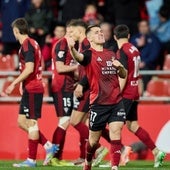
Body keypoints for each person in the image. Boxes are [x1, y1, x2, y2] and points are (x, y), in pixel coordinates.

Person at [67, 24, 127, 170]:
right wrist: (72, 48)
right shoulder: (88, 54)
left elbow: (123, 75)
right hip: (99, 104)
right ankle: (88, 162)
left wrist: (120, 68)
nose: (101, 33)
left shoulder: (111, 53)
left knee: (116, 131)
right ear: (89, 38)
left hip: (116, 101)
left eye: (101, 31)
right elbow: (79, 58)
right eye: (96, 32)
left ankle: (114, 167)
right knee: (93, 141)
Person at [5, 18, 58, 167]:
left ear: (16, 31)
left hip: (34, 88)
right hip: (30, 87)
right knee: (22, 122)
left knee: (32, 123)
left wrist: (13, 84)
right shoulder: (32, 43)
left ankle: (31, 160)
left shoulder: (27, 45)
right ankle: (48, 146)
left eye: (13, 31)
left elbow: (29, 68)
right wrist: (22, 83)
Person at [113, 24, 166, 168]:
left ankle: (117, 160)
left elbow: (123, 75)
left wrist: (116, 93)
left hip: (125, 93)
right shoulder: (134, 49)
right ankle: (156, 151)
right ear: (129, 36)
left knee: (115, 127)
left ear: (114, 37)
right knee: (132, 125)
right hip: (134, 91)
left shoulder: (122, 51)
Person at [68, 19, 108, 166]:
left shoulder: (86, 43)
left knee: (76, 121)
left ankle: (98, 148)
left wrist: (81, 84)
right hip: (88, 88)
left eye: (71, 31)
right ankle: (84, 155)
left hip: (88, 89)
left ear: (79, 31)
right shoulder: (81, 44)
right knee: (89, 123)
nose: (70, 34)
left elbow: (91, 68)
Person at [50, 22, 78, 166]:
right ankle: (53, 156)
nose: (77, 34)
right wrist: (78, 66)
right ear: (69, 31)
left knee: (64, 121)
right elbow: (60, 68)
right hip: (62, 86)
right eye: (75, 31)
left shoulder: (69, 46)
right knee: (65, 121)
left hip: (67, 86)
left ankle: (55, 157)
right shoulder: (62, 44)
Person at [130, 20, 161, 91]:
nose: (143, 28)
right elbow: (129, 52)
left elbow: (155, 54)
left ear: (148, 27)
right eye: (141, 26)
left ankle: (145, 92)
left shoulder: (154, 39)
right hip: (135, 64)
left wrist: (145, 62)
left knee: (145, 71)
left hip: (149, 65)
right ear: (139, 28)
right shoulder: (134, 38)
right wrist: (138, 45)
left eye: (145, 26)